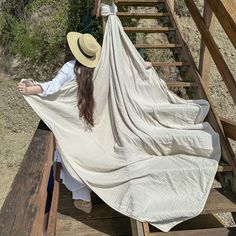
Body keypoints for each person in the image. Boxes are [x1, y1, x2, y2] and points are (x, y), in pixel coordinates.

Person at [17, 32, 153, 214]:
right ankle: (109, 190)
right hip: (102, 122)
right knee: (104, 149)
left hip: (78, 124)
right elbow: (126, 69)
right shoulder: (104, 66)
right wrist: (144, 65)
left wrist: (29, 89)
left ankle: (83, 198)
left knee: (68, 154)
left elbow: (53, 87)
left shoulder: (71, 68)